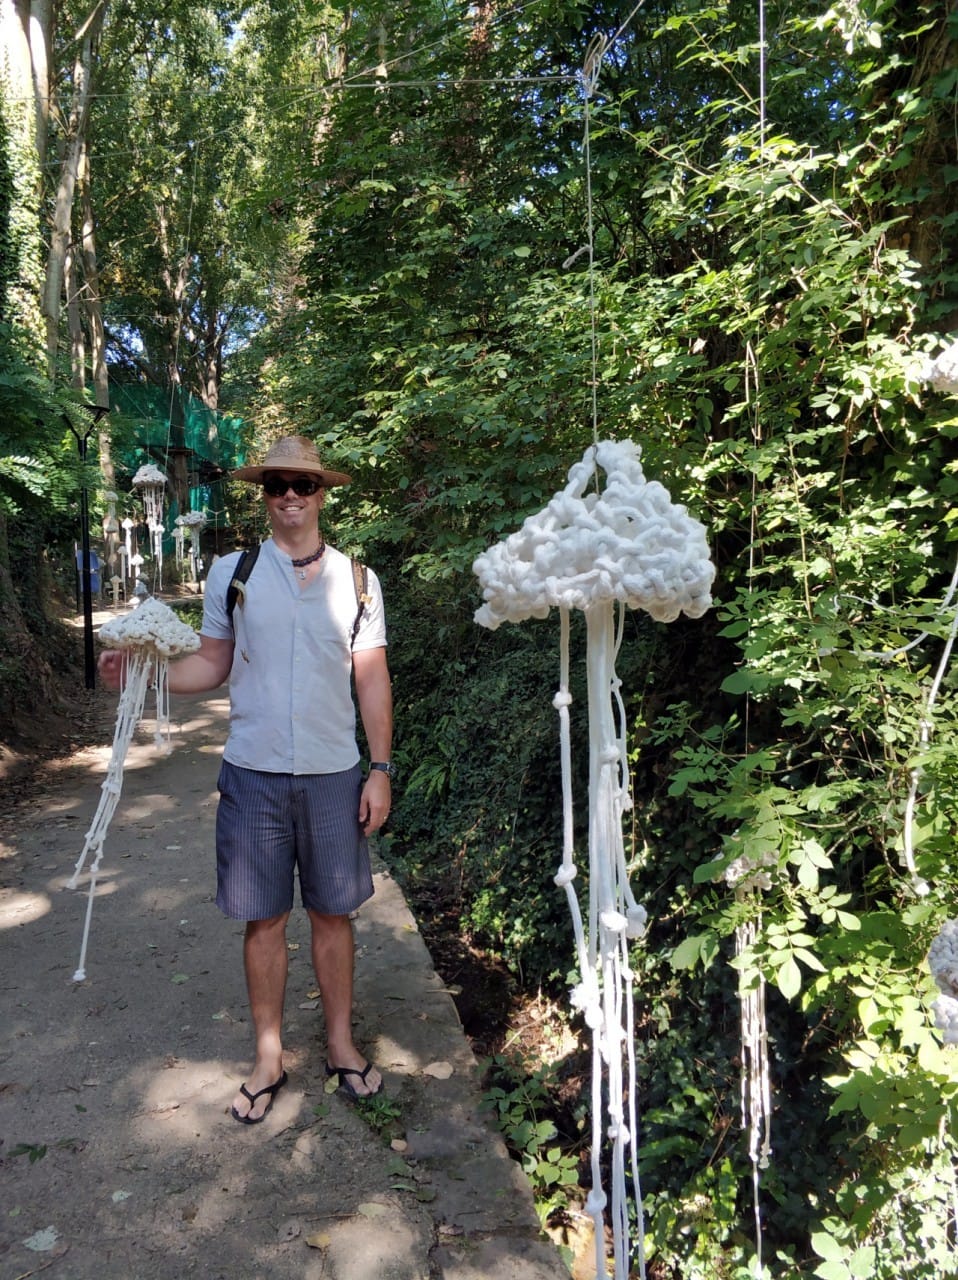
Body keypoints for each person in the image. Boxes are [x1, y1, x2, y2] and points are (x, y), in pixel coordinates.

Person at [99, 435, 393, 1123]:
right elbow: (211, 664)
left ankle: (340, 1043)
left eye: (302, 484)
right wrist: (145, 672)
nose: (289, 496)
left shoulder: (358, 580)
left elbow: (372, 678)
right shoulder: (234, 572)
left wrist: (379, 770)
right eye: (276, 484)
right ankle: (268, 1057)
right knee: (263, 919)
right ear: (263, 495)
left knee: (333, 914)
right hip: (253, 773)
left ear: (322, 494)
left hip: (333, 773)